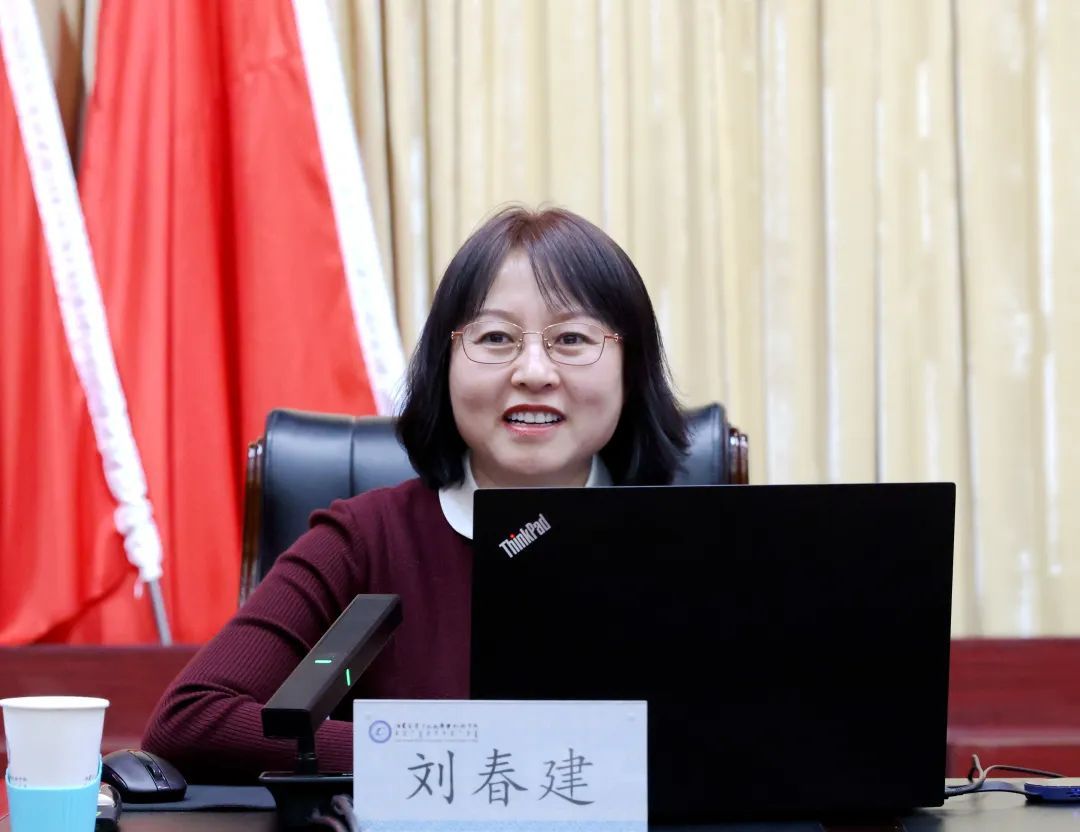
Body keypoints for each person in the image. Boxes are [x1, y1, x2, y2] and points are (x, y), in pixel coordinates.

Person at [142, 205, 688, 781]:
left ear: (631, 367)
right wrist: (449, 756)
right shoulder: (366, 541)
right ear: (443, 364)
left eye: (572, 338)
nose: (533, 372)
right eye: (496, 337)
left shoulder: (692, 541)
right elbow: (190, 721)